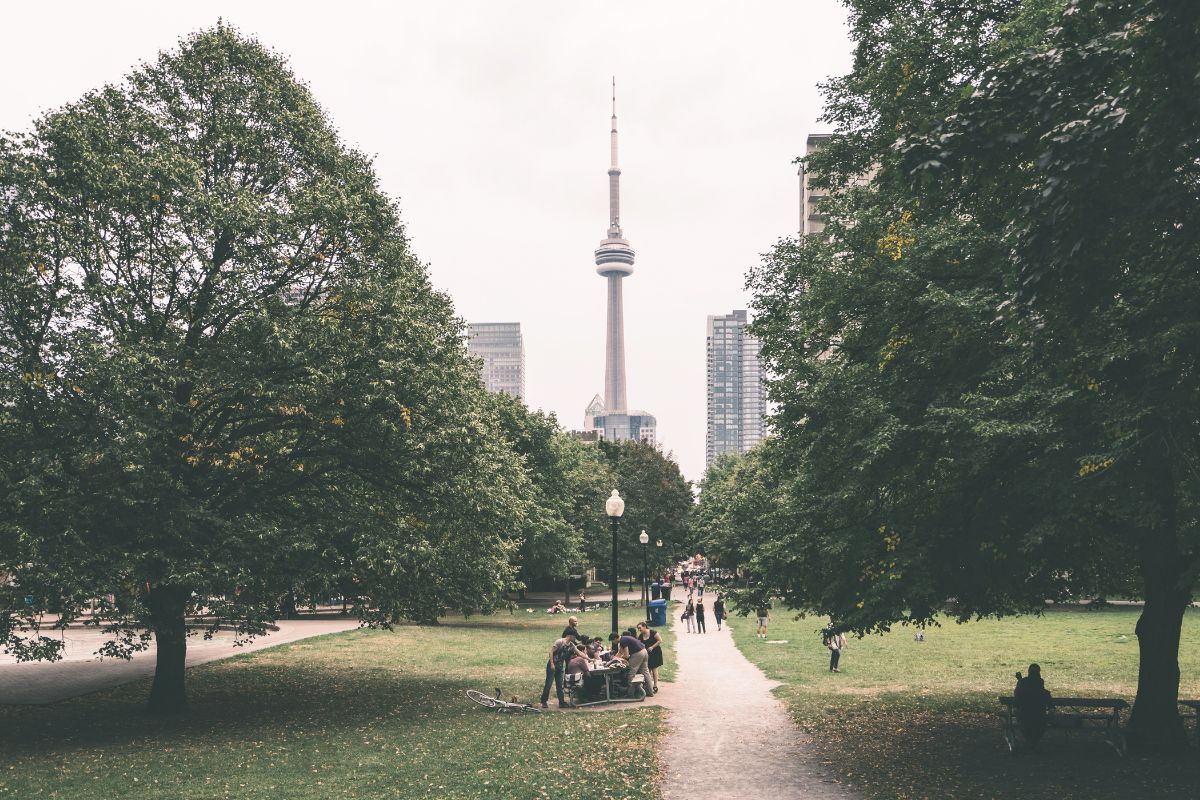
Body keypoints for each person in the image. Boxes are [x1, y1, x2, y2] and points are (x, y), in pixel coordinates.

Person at [1014, 664, 1052, 750]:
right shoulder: (1040, 682)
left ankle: (1030, 742)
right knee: (1040, 725)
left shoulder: (1024, 683)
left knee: (1024, 723)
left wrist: (1020, 680)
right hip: (1038, 715)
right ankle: (1033, 743)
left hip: (1025, 714)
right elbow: (1035, 690)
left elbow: (1020, 694)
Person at [609, 631, 652, 697]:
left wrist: (619, 659)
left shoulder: (623, 641)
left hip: (638, 654)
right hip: (644, 651)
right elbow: (620, 652)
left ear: (615, 638)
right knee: (645, 671)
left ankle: (630, 694)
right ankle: (650, 692)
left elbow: (626, 655)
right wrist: (614, 658)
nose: (613, 642)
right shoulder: (624, 639)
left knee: (631, 673)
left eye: (612, 641)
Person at [541, 632, 577, 708]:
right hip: (553, 665)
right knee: (549, 683)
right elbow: (551, 652)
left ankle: (561, 702)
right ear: (570, 636)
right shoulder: (560, 642)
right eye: (574, 637)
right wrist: (552, 663)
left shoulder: (571, 645)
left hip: (560, 666)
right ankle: (544, 701)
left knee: (560, 685)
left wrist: (589, 659)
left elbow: (579, 652)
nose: (575, 638)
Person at [637, 621, 663, 693]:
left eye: (640, 628)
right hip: (647, 654)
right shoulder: (641, 635)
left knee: (654, 668)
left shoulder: (653, 632)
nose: (639, 630)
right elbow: (638, 644)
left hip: (655, 652)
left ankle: (655, 685)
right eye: (638, 629)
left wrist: (652, 647)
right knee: (648, 669)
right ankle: (649, 685)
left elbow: (660, 640)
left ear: (644, 626)